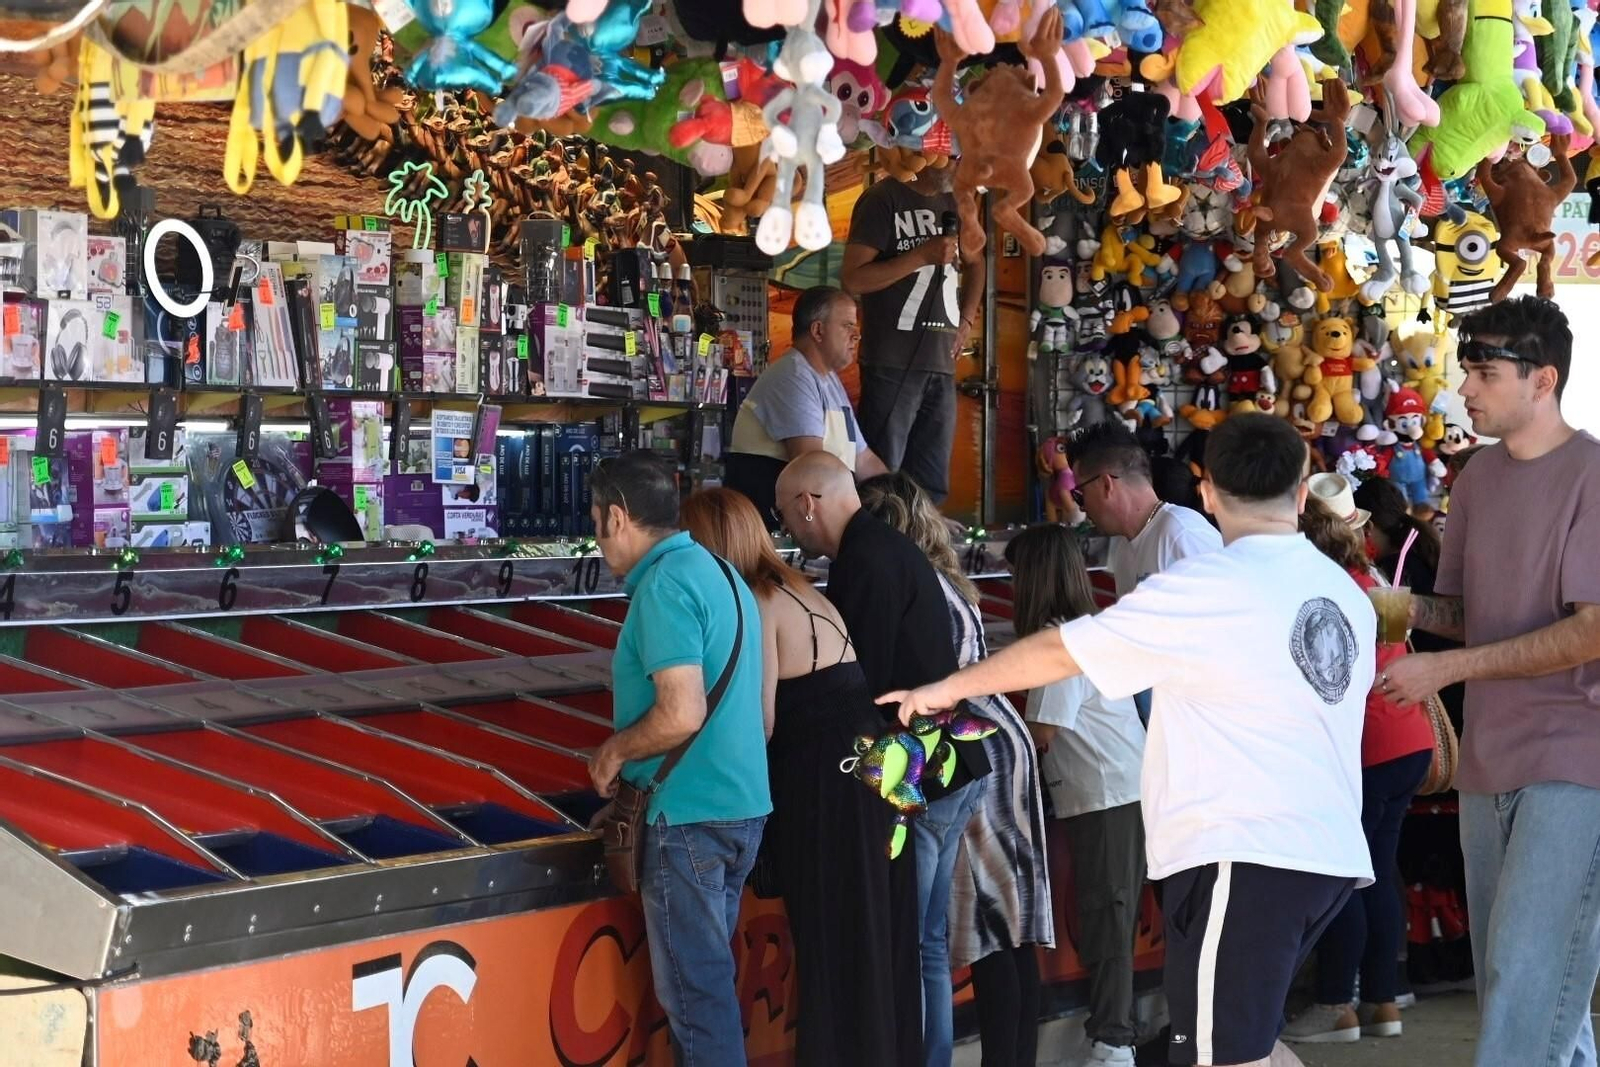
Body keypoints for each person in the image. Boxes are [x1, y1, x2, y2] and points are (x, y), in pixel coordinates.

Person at [881, 414, 1376, 1067]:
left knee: (1221, 1053)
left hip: (1246, 849)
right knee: (1239, 1045)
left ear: (1208, 491)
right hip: (1322, 848)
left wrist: (948, 687)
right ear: (1302, 492)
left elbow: (1066, 648)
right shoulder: (1344, 592)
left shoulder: (1212, 583)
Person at [1378, 296, 1600, 1067]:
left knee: (1526, 979)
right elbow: (1473, 615)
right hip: (1487, 757)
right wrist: (1391, 605)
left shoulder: (1594, 475)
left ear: (1543, 379)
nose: (1465, 389)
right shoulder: (1474, 479)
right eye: (1465, 369)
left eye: (1484, 372)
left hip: (1576, 754)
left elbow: (1589, 628)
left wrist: (1448, 667)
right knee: (1534, 988)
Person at [680, 488, 921, 1066]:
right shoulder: (801, 586)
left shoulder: (754, 600)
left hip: (821, 779)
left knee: (830, 940)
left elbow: (760, 721)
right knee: (871, 933)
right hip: (870, 766)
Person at [774, 452, 990, 1067]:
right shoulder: (889, 547)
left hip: (912, 773)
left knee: (893, 940)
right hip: (950, 762)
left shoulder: (861, 564)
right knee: (923, 942)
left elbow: (854, 689)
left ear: (807, 504)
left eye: (787, 516)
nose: (790, 531)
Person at [861, 472, 1054, 1067]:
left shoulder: (909, 583)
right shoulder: (952, 581)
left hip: (962, 746)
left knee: (987, 921)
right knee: (1012, 917)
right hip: (998, 737)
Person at [583, 453, 770, 1067]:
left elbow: (681, 712)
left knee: (697, 1000)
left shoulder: (664, 586)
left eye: (595, 519)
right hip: (741, 808)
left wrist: (614, 751)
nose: (597, 537)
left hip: (688, 819)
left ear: (616, 516)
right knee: (712, 986)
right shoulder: (721, 572)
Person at [1283, 483, 1434, 1046]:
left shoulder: (1325, 589)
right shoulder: (1381, 583)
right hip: (1408, 739)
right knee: (1378, 874)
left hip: (1364, 750)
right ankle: (1381, 1002)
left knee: (1344, 876)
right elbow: (1393, 654)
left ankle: (1334, 1005)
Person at [1007, 523, 1146, 1067]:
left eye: (1019, 575)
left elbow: (1040, 735)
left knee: (1107, 918)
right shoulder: (1090, 629)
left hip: (1106, 795)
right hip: (1116, 790)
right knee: (1108, 915)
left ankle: (1114, 1041)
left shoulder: (1058, 641)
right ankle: (1114, 1034)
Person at [840, 166, 984, 504]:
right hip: (891, 361)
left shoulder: (959, 201)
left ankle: (924, 550)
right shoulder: (882, 198)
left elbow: (977, 264)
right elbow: (853, 279)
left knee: (931, 482)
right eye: (949, 152)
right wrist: (921, 255)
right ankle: (882, 548)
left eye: (959, 155)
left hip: (942, 361)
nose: (956, 160)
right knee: (882, 478)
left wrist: (965, 320)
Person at [1071, 419, 1221, 722]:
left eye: (1079, 495)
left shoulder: (1183, 535)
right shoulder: (1126, 548)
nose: (1081, 507)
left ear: (1106, 484)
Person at [725, 286, 889, 527]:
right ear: (818, 330)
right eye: (847, 326)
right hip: (769, 529)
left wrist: (906, 504)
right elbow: (811, 468)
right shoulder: (793, 375)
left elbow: (864, 460)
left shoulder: (829, 379)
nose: (857, 335)